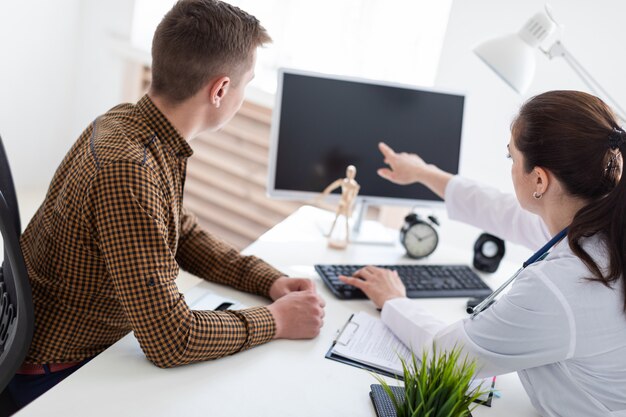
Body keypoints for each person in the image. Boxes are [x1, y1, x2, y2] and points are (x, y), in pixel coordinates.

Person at [9, 0, 324, 408]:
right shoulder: (129, 170)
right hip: (58, 371)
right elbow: (171, 341)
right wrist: (277, 321)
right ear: (221, 89)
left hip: (60, 340)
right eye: (246, 83)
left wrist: (267, 281)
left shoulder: (130, 124)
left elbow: (182, 232)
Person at [339, 90, 626, 416]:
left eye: (511, 158)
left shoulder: (561, 287)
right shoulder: (602, 227)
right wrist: (422, 173)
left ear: (540, 180)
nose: (510, 167)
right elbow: (503, 212)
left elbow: (445, 355)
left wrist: (393, 299)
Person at [319, 165, 361, 248]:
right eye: (348, 171)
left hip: (348, 204)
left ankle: (347, 237)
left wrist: (350, 204)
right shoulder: (342, 182)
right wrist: (324, 194)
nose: (350, 173)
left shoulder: (354, 185)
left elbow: (354, 197)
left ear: (354, 173)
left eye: (352, 172)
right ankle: (330, 233)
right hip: (341, 202)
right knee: (336, 218)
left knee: (346, 221)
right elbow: (331, 187)